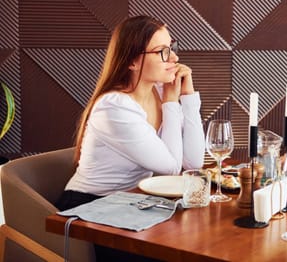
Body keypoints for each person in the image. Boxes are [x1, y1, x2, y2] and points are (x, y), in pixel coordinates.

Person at [56, 15, 206, 261]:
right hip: (90, 208)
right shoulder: (114, 107)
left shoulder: (159, 92)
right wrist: (171, 102)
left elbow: (193, 162)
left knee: (197, 242)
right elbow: (171, 167)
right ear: (133, 62)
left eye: (173, 48)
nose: (175, 58)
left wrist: (188, 97)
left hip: (133, 204)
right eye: (162, 52)